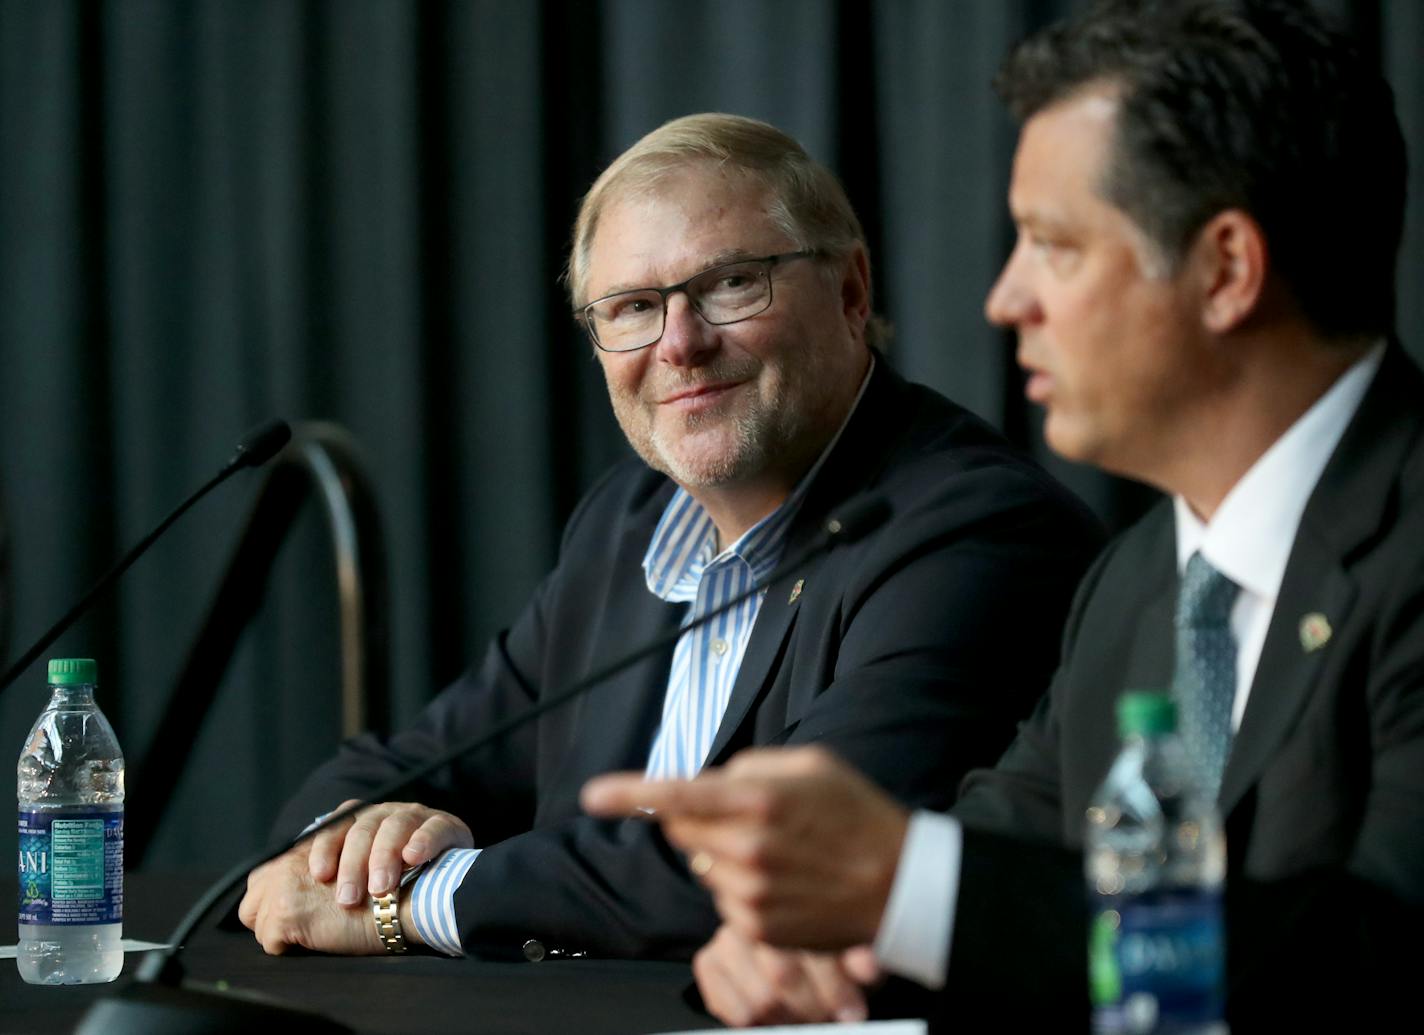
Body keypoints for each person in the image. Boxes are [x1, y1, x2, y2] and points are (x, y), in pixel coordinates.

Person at [583, 1, 1424, 1027]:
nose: (1002, 299)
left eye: (1051, 246)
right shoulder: (1138, 581)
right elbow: (1008, 855)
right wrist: (827, 946)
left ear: (1223, 272)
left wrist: (902, 892)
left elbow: (1383, 957)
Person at [237, 113, 1101, 965]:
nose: (679, 344)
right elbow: (402, 767)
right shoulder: (628, 523)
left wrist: (409, 902)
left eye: (730, 284)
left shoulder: (975, 530)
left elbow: (780, 859)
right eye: (633, 306)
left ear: (851, 292)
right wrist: (353, 853)